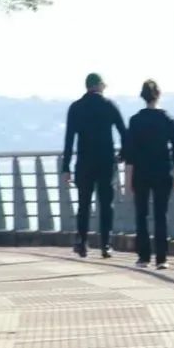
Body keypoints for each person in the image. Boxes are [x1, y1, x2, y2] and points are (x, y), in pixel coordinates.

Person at [62, 72, 127, 259]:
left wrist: (65, 167)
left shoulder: (75, 108)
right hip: (106, 162)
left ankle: (82, 243)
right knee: (106, 204)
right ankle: (106, 245)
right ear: (99, 86)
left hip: (84, 163)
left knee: (84, 204)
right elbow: (124, 133)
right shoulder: (109, 106)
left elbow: (69, 140)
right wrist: (122, 155)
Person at [121, 79, 174, 270]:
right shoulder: (168, 119)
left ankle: (143, 257)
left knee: (141, 214)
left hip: (141, 172)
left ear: (143, 96)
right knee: (160, 215)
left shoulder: (135, 120)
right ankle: (162, 258)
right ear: (159, 94)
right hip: (163, 171)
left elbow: (129, 153)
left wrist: (127, 179)